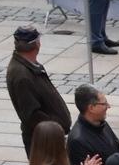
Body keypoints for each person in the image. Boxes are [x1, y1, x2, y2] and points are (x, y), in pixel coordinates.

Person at [5, 25, 71, 154]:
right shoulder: (23, 75)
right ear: (37, 45)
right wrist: (56, 126)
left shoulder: (30, 65)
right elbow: (31, 115)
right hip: (43, 140)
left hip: (46, 137)